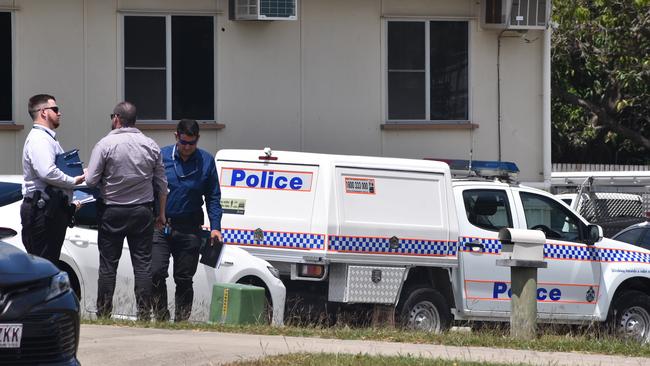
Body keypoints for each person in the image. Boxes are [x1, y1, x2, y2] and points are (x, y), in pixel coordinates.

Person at [85, 101, 168, 321]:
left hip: (112, 210)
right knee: (142, 265)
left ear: (117, 119)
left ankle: (104, 314)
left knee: (108, 265)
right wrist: (161, 214)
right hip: (142, 211)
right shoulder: (150, 145)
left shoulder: (105, 144)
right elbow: (161, 184)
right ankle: (143, 315)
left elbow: (92, 180)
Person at [152, 119, 223, 322]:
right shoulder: (161, 157)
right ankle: (161, 318)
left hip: (190, 228)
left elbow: (213, 197)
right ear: (176, 137)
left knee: (184, 278)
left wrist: (216, 227)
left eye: (192, 143)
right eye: (183, 142)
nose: (187, 147)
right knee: (156, 272)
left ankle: (181, 321)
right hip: (162, 225)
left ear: (197, 140)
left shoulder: (206, 162)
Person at [21, 94, 85, 264]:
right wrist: (73, 181)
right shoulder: (39, 139)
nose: (59, 113)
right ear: (43, 112)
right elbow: (47, 172)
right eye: (55, 109)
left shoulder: (46, 138)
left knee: (48, 264)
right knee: (43, 266)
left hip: (50, 210)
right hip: (42, 211)